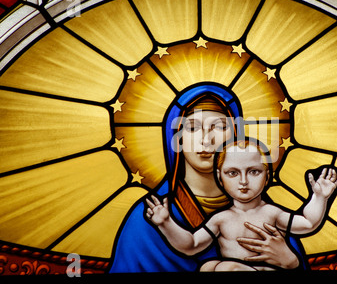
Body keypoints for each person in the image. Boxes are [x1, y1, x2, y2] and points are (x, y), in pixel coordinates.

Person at [109, 85, 304, 272]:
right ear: (177, 138)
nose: (206, 140)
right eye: (192, 128)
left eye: (219, 127)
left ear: (236, 134)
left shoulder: (264, 214)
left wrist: (291, 261)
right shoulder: (148, 218)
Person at [146, 138, 337, 271]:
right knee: (215, 267)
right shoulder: (221, 219)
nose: (244, 181)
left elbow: (308, 223)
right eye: (232, 173)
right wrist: (165, 222)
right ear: (219, 178)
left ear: (267, 176)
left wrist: (320, 198)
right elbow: (191, 245)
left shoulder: (271, 213)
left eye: (254, 171)